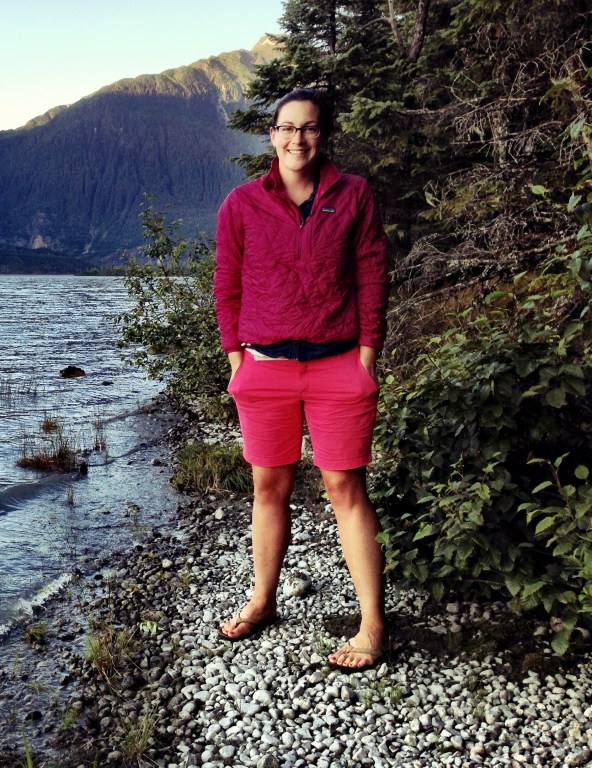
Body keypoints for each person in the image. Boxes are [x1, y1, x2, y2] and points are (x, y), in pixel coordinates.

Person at [212, 88, 391, 671]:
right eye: (287, 128)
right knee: (269, 488)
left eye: (309, 129)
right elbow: (227, 281)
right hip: (264, 368)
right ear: (271, 135)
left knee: (345, 489)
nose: (298, 139)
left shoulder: (354, 195)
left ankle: (371, 626)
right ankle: (263, 600)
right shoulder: (241, 203)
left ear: (323, 136)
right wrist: (236, 357)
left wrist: (367, 352)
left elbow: (371, 270)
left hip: (338, 362)